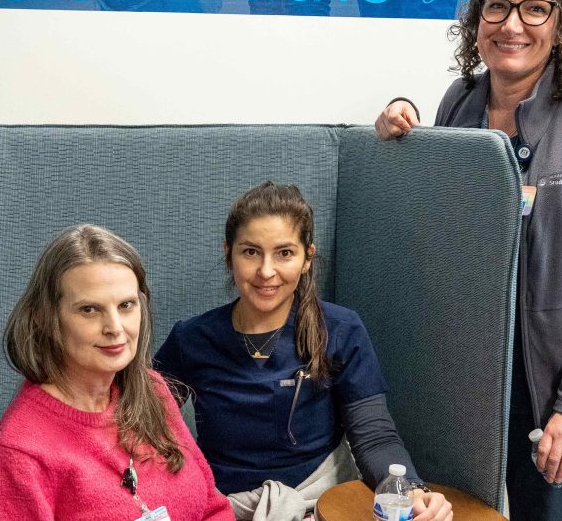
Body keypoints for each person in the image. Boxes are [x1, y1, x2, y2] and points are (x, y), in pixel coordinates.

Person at [374, 0, 562, 520]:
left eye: (534, 9)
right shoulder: (460, 104)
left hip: (559, 382)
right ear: (477, 21)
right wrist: (402, 129)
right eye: (497, 7)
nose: (512, 25)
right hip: (476, 370)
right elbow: (448, 226)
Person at [154, 182, 452, 521]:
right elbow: (136, 421)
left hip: (320, 501)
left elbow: (374, 437)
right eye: (250, 252)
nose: (266, 271)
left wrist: (410, 490)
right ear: (228, 252)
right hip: (221, 505)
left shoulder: (341, 330)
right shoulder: (191, 339)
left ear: (307, 257)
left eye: (284, 253)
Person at [0, 224, 234, 520]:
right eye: (89, 309)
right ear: (44, 318)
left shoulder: (152, 390)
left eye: (126, 305)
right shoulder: (22, 452)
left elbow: (213, 508)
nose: (115, 327)